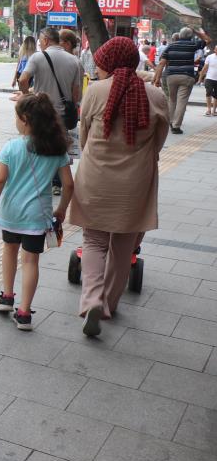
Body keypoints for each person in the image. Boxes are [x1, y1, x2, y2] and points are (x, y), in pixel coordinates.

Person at [68, 37, 169, 336]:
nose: (97, 69)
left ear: (110, 64)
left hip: (96, 178)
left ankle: (92, 300)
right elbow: (158, 144)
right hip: (136, 182)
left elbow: (84, 139)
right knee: (123, 247)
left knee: (95, 242)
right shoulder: (155, 96)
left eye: (100, 64)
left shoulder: (95, 92)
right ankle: (109, 304)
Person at [0, 93, 73, 331]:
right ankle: (24, 313)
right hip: (37, 216)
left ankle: (7, 297)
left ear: (25, 119)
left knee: (9, 251)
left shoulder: (12, 147)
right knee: (31, 260)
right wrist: (62, 209)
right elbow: (69, 184)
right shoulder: (57, 149)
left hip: (12, 213)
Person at [19, 27, 83, 194]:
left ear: (46, 40)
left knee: (38, 144)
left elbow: (23, 79)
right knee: (59, 147)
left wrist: (28, 96)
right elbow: (76, 93)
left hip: (42, 111)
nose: (39, 43)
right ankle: (57, 183)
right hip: (63, 113)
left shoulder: (38, 57)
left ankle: (40, 181)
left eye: (40, 40)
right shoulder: (75, 60)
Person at [153, 26, 211, 133]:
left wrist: (157, 79)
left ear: (180, 35)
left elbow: (161, 63)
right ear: (190, 36)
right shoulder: (192, 44)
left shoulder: (171, 46)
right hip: (187, 76)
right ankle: (176, 126)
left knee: (172, 99)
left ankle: (170, 121)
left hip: (171, 76)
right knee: (182, 101)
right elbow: (208, 40)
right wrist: (196, 32)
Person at [200, 48, 217, 116]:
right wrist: (200, 78)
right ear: (214, 50)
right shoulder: (210, 57)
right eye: (216, 49)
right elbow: (205, 68)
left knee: (216, 95)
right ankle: (209, 110)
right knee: (208, 93)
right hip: (209, 78)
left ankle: (214, 111)